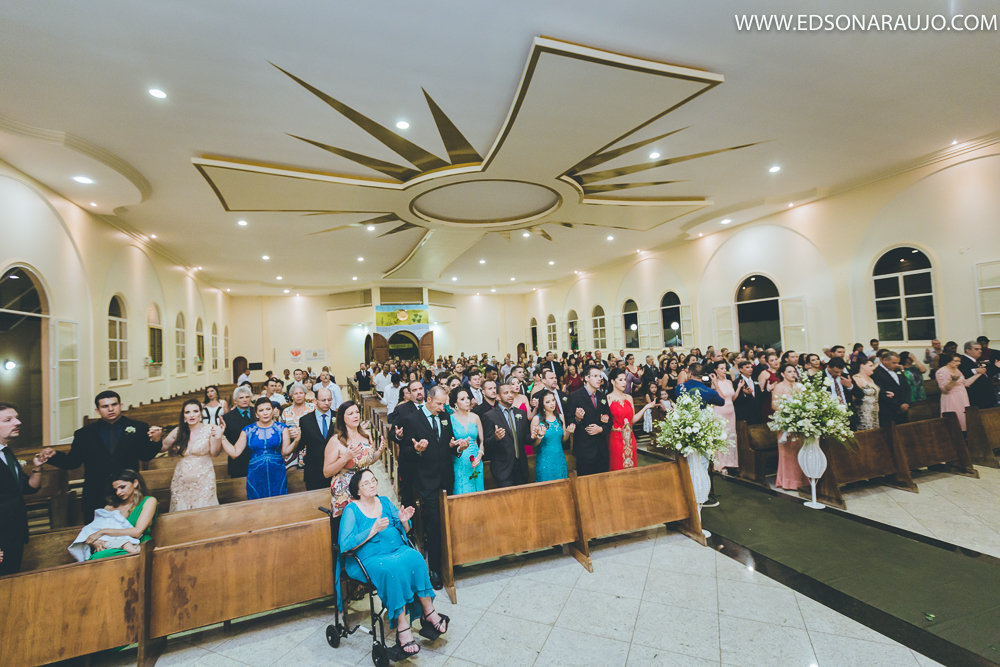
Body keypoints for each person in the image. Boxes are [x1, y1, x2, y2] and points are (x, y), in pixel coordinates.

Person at [338, 470, 449, 657]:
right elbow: (345, 544)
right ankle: (402, 625)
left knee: (416, 558)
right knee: (392, 570)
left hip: (396, 550)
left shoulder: (384, 502)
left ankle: (428, 612)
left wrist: (405, 521)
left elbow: (405, 529)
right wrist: (372, 530)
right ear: (357, 490)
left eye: (373, 480)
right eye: (366, 483)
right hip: (368, 559)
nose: (373, 484)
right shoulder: (352, 510)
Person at [43, 391, 164, 522]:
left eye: (114, 404)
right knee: (97, 536)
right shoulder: (84, 434)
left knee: (132, 532)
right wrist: (54, 456)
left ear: (121, 405)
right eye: (105, 406)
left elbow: (145, 456)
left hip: (128, 493)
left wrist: (156, 442)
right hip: (96, 493)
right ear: (97, 410)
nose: (110, 409)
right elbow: (72, 462)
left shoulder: (138, 427)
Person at [397, 385, 459, 587]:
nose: (442, 407)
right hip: (426, 479)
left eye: (444, 404)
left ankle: (448, 561)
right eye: (439, 403)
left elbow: (446, 446)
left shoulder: (445, 417)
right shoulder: (412, 420)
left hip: (445, 477)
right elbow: (405, 452)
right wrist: (416, 450)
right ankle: (434, 569)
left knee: (446, 521)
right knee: (434, 523)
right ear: (429, 400)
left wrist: (455, 448)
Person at [0, 403, 47, 575]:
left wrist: (37, 468)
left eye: (16, 417)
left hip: (14, 532)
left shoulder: (6, 453)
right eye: (8, 419)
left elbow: (29, 488)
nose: (18, 422)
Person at [219, 397, 296, 499]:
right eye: (261, 410)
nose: (265, 413)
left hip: (277, 474)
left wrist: (297, 440)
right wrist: (222, 436)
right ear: (256, 414)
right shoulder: (248, 430)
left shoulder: (282, 428)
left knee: (279, 505)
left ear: (273, 411)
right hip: (256, 475)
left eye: (268, 409)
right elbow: (234, 453)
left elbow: (286, 452)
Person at [323, 401, 385, 518]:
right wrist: (345, 458)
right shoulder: (336, 440)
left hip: (365, 486)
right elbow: (326, 472)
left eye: (357, 412)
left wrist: (379, 452)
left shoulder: (366, 435)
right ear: (342, 418)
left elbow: (368, 462)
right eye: (350, 413)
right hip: (345, 490)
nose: (356, 416)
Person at [161, 399, 223, 511]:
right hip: (182, 480)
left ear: (201, 413)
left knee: (204, 511)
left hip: (204, 479)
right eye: (187, 412)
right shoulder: (178, 431)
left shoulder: (210, 429)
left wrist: (218, 438)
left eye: (195, 411)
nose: (191, 415)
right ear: (183, 415)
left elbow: (215, 453)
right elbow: (163, 447)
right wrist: (156, 439)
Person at [84, 470, 157, 560]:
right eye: (115, 490)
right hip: (113, 544)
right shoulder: (109, 508)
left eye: (122, 487)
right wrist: (96, 541)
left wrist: (103, 532)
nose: (118, 492)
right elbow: (93, 530)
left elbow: (137, 532)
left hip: (138, 544)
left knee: (99, 557)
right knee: (98, 556)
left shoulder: (149, 501)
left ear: (135, 483)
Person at [481, 381, 531, 486]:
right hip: (503, 469)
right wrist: (495, 438)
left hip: (521, 467)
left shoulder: (520, 413)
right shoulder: (490, 416)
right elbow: (486, 443)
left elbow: (525, 438)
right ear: (498, 397)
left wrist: (535, 435)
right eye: (506, 393)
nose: (510, 395)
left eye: (511, 392)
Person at [567, 365, 612, 476]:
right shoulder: (574, 396)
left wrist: (601, 429)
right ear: (586, 378)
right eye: (595, 376)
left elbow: (610, 420)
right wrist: (577, 419)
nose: (599, 379)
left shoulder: (602, 396)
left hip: (601, 450)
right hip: (585, 450)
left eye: (600, 376)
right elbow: (569, 420)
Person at [606, 368, 654, 470]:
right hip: (615, 437)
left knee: (632, 466)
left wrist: (645, 407)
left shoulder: (629, 398)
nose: (624, 382)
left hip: (630, 437)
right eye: (620, 380)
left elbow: (632, 420)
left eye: (625, 380)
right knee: (617, 465)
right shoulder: (608, 399)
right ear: (613, 381)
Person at [771, 364, 809, 491]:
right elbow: (774, 405)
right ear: (783, 374)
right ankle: (788, 482)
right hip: (785, 422)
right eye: (790, 372)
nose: (793, 374)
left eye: (794, 371)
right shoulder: (779, 387)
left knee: (799, 451)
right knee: (788, 453)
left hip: (799, 422)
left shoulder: (798, 386)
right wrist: (790, 410)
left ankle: (802, 481)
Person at [531, 389, 574, 482]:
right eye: (548, 402)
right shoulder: (536, 419)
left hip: (559, 458)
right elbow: (533, 445)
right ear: (542, 404)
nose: (552, 404)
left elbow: (563, 440)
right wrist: (540, 436)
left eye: (553, 400)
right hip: (545, 459)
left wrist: (568, 432)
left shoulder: (560, 417)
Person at [299, 387, 336, 491]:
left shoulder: (338, 417)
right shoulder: (305, 421)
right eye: (323, 400)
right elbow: (300, 445)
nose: (327, 403)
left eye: (329, 400)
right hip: (314, 471)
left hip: (335, 469)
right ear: (315, 401)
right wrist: (295, 437)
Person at [449, 387, 485, 494]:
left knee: (477, 489)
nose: (467, 401)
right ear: (455, 402)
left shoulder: (475, 417)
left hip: (476, 459)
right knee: (461, 490)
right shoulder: (450, 419)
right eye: (462, 399)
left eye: (468, 398)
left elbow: (482, 441)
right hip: (459, 459)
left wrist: (479, 456)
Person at [934, 352, 979, 431]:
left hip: (962, 396)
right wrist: (953, 380)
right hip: (951, 397)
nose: (959, 363)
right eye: (956, 361)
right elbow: (945, 389)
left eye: (959, 361)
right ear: (948, 361)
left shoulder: (957, 370)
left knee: (964, 417)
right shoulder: (941, 372)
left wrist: (979, 374)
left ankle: (964, 434)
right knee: (954, 418)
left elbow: (965, 383)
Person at [708, 361, 738, 470]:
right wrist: (715, 383)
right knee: (722, 436)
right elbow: (721, 398)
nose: (724, 370)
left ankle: (732, 462)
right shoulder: (714, 383)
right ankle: (721, 464)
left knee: (731, 436)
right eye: (721, 368)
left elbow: (732, 397)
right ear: (716, 370)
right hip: (720, 411)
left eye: (725, 368)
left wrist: (739, 388)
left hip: (731, 411)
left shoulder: (729, 382)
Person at [222, 386, 255, 479]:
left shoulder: (257, 412)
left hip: (257, 459)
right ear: (235, 400)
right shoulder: (227, 418)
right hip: (239, 462)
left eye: (247, 397)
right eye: (241, 397)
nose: (244, 400)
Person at [281, 382, 315, 468]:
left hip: (311, 448)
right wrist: (289, 434)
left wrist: (301, 433)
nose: (298, 396)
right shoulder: (286, 411)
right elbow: (282, 431)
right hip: (292, 449)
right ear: (292, 396)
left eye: (301, 393)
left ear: (305, 395)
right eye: (296, 394)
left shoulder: (313, 408)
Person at [960, 340, 1000, 410]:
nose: (980, 351)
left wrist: (996, 367)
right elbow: (965, 373)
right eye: (976, 349)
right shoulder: (962, 361)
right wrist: (975, 371)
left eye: (980, 349)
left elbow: (985, 374)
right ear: (967, 350)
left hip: (985, 395)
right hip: (976, 395)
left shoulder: (977, 361)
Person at [873, 352, 911, 425]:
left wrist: (906, 403)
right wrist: (898, 406)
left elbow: (906, 388)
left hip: (903, 408)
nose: (897, 365)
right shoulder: (876, 373)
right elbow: (881, 392)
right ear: (885, 360)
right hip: (888, 410)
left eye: (898, 363)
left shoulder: (898, 371)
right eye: (894, 363)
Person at [852, 359, 881, 430]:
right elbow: (853, 397)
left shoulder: (870, 379)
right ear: (862, 366)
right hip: (864, 413)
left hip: (874, 411)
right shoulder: (857, 378)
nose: (873, 368)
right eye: (870, 366)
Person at [732, 360, 762, 425]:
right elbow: (736, 400)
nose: (750, 369)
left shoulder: (755, 380)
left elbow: (759, 396)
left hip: (757, 413)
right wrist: (744, 394)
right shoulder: (737, 382)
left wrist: (767, 389)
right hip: (744, 414)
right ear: (740, 369)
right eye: (747, 367)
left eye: (751, 367)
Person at [757, 353, 781, 422]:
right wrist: (768, 389)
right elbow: (760, 392)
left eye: (776, 359)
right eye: (772, 360)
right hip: (769, 402)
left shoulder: (782, 372)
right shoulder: (765, 373)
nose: (775, 362)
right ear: (767, 363)